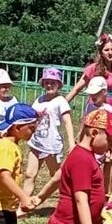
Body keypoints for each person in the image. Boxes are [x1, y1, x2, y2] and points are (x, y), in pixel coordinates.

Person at [23, 67, 74, 199]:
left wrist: (72, 143)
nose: (49, 85)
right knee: (29, 174)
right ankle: (23, 203)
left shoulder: (61, 101)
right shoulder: (39, 99)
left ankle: (69, 198)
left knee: (56, 175)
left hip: (52, 145)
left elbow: (68, 122)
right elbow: (31, 118)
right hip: (36, 142)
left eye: (53, 82)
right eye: (47, 82)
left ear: (59, 84)